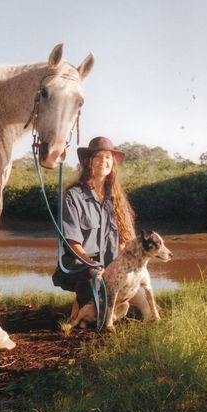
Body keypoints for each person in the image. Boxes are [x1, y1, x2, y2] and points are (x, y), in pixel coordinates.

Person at [52, 136, 151, 322]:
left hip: (110, 265)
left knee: (136, 298)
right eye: (98, 156)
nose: (103, 161)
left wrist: (126, 267)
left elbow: (124, 241)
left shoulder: (117, 197)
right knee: (93, 301)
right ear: (88, 161)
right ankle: (85, 307)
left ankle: (114, 308)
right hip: (80, 263)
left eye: (108, 157)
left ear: (112, 163)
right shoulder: (73, 195)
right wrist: (91, 265)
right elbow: (72, 242)